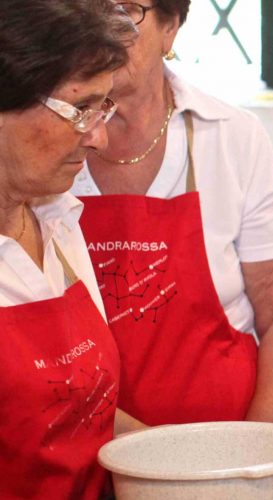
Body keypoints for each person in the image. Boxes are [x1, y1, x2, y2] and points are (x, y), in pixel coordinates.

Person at [75, 0, 273, 426]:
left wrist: (260, 452)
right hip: (73, 454)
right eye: (84, 9)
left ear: (170, 27)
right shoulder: (34, 143)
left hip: (220, 452)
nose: (99, 28)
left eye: (124, 10)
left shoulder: (229, 136)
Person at [0, 1, 136, 497]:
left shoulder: (57, 219)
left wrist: (193, 461)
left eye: (103, 108)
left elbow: (81, 412)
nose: (98, 137)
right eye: (80, 109)